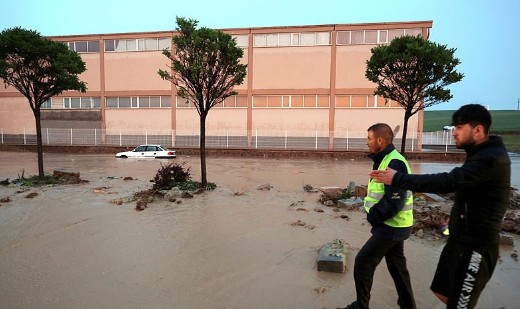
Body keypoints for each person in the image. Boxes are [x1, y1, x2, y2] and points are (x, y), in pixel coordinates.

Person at [369, 104, 511, 309]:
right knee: (441, 290)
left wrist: (398, 178)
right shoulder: (479, 154)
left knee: (460, 305)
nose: (453, 132)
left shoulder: (491, 159)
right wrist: (456, 216)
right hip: (458, 238)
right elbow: (470, 191)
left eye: (459, 127)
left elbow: (448, 182)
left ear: (478, 130)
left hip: (477, 246)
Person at [338, 123, 416, 309]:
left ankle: (361, 306)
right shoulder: (385, 159)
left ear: (380, 140)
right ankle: (408, 305)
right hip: (397, 225)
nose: (367, 142)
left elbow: (395, 201)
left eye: (369, 138)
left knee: (363, 262)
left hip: (391, 225)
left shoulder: (393, 162)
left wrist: (373, 216)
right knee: (398, 268)